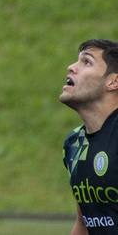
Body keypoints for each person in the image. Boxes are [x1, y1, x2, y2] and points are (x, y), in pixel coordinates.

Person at [61, 39, 118, 235]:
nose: (71, 67)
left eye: (86, 62)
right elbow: (84, 223)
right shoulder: (74, 143)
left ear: (113, 82)